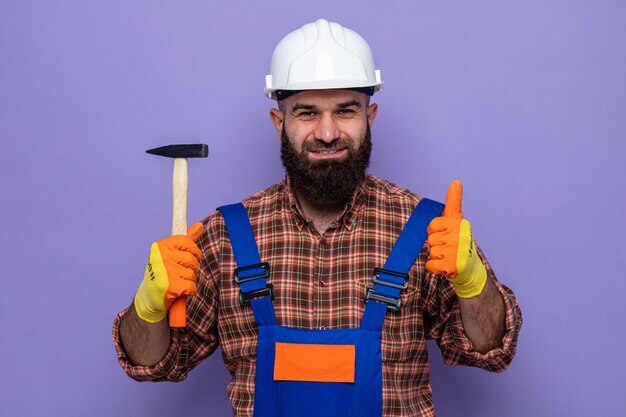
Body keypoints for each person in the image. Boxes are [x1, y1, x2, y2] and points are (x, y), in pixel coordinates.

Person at [113, 18, 522, 417]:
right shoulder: (224, 237)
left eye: (345, 110)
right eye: (307, 113)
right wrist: (146, 307)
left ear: (370, 116)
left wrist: (474, 285)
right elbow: (155, 363)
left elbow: (490, 350)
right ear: (279, 122)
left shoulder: (428, 230)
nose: (327, 133)